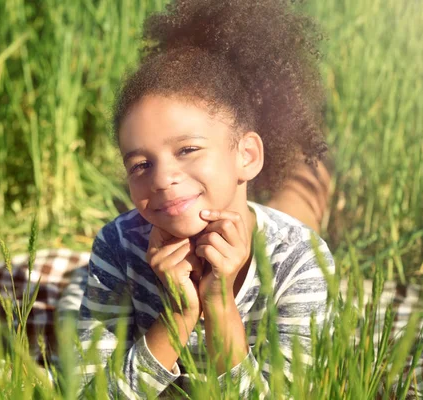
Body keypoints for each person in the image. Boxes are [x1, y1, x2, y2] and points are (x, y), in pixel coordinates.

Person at [73, 0, 336, 398]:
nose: (161, 179)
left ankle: (315, 170)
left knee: (302, 192)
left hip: (281, 229)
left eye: (187, 149)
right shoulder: (118, 245)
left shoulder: (300, 257)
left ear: (246, 155)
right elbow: (88, 394)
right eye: (141, 164)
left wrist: (219, 306)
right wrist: (178, 315)